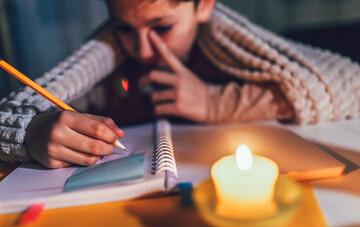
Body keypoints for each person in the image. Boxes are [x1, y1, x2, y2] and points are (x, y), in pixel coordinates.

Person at [0, 0, 359, 168]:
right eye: (123, 28)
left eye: (162, 27)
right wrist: (32, 131)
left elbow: (350, 81)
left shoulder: (224, 37)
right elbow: (10, 113)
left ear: (203, 6)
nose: (142, 49)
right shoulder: (108, 52)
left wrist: (215, 103)